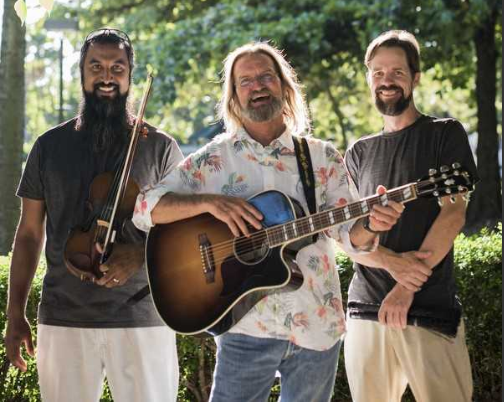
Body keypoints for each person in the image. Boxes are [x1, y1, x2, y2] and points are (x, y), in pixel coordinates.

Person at [132, 42, 403, 402]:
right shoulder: (212, 160)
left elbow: (348, 236)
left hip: (315, 325)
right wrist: (211, 203)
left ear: (284, 87)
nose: (257, 86)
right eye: (246, 81)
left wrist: (373, 224)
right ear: (232, 97)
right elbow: (143, 208)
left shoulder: (320, 157)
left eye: (266, 77)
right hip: (246, 328)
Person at [5, 28, 182, 402]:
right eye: (96, 66)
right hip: (64, 317)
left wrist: (138, 254)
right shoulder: (49, 147)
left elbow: (184, 231)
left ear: (130, 75)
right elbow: (29, 234)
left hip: (143, 319)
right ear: (82, 73)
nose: (106, 76)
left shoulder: (162, 148)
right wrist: (14, 313)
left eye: (117, 67)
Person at [343, 30, 478, 402]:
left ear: (415, 78)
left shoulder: (444, 133)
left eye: (397, 72)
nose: (386, 81)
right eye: (378, 72)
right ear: (369, 77)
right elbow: (346, 237)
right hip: (364, 307)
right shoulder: (357, 153)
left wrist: (404, 289)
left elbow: (453, 215)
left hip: (428, 306)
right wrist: (390, 263)